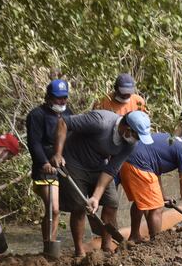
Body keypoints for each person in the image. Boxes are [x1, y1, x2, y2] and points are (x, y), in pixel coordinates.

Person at [51, 109, 153, 256]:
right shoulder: (100, 121)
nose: (136, 140)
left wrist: (96, 197)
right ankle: (79, 251)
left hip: (99, 165)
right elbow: (63, 122)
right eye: (136, 135)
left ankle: (107, 247)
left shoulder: (130, 144)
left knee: (112, 202)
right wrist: (58, 153)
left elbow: (111, 169)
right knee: (79, 206)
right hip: (74, 162)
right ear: (126, 128)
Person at [118, 133, 182, 241]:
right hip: (139, 165)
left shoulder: (175, 141)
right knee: (157, 207)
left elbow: (156, 171)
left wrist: (163, 196)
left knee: (140, 202)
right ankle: (156, 243)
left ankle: (135, 236)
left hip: (126, 162)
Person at [26, 79, 73, 247]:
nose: (61, 102)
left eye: (64, 98)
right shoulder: (36, 115)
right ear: (48, 97)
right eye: (57, 98)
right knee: (53, 208)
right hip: (45, 168)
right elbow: (34, 143)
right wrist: (44, 162)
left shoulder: (68, 114)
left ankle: (51, 242)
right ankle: (49, 244)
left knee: (65, 208)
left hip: (64, 167)